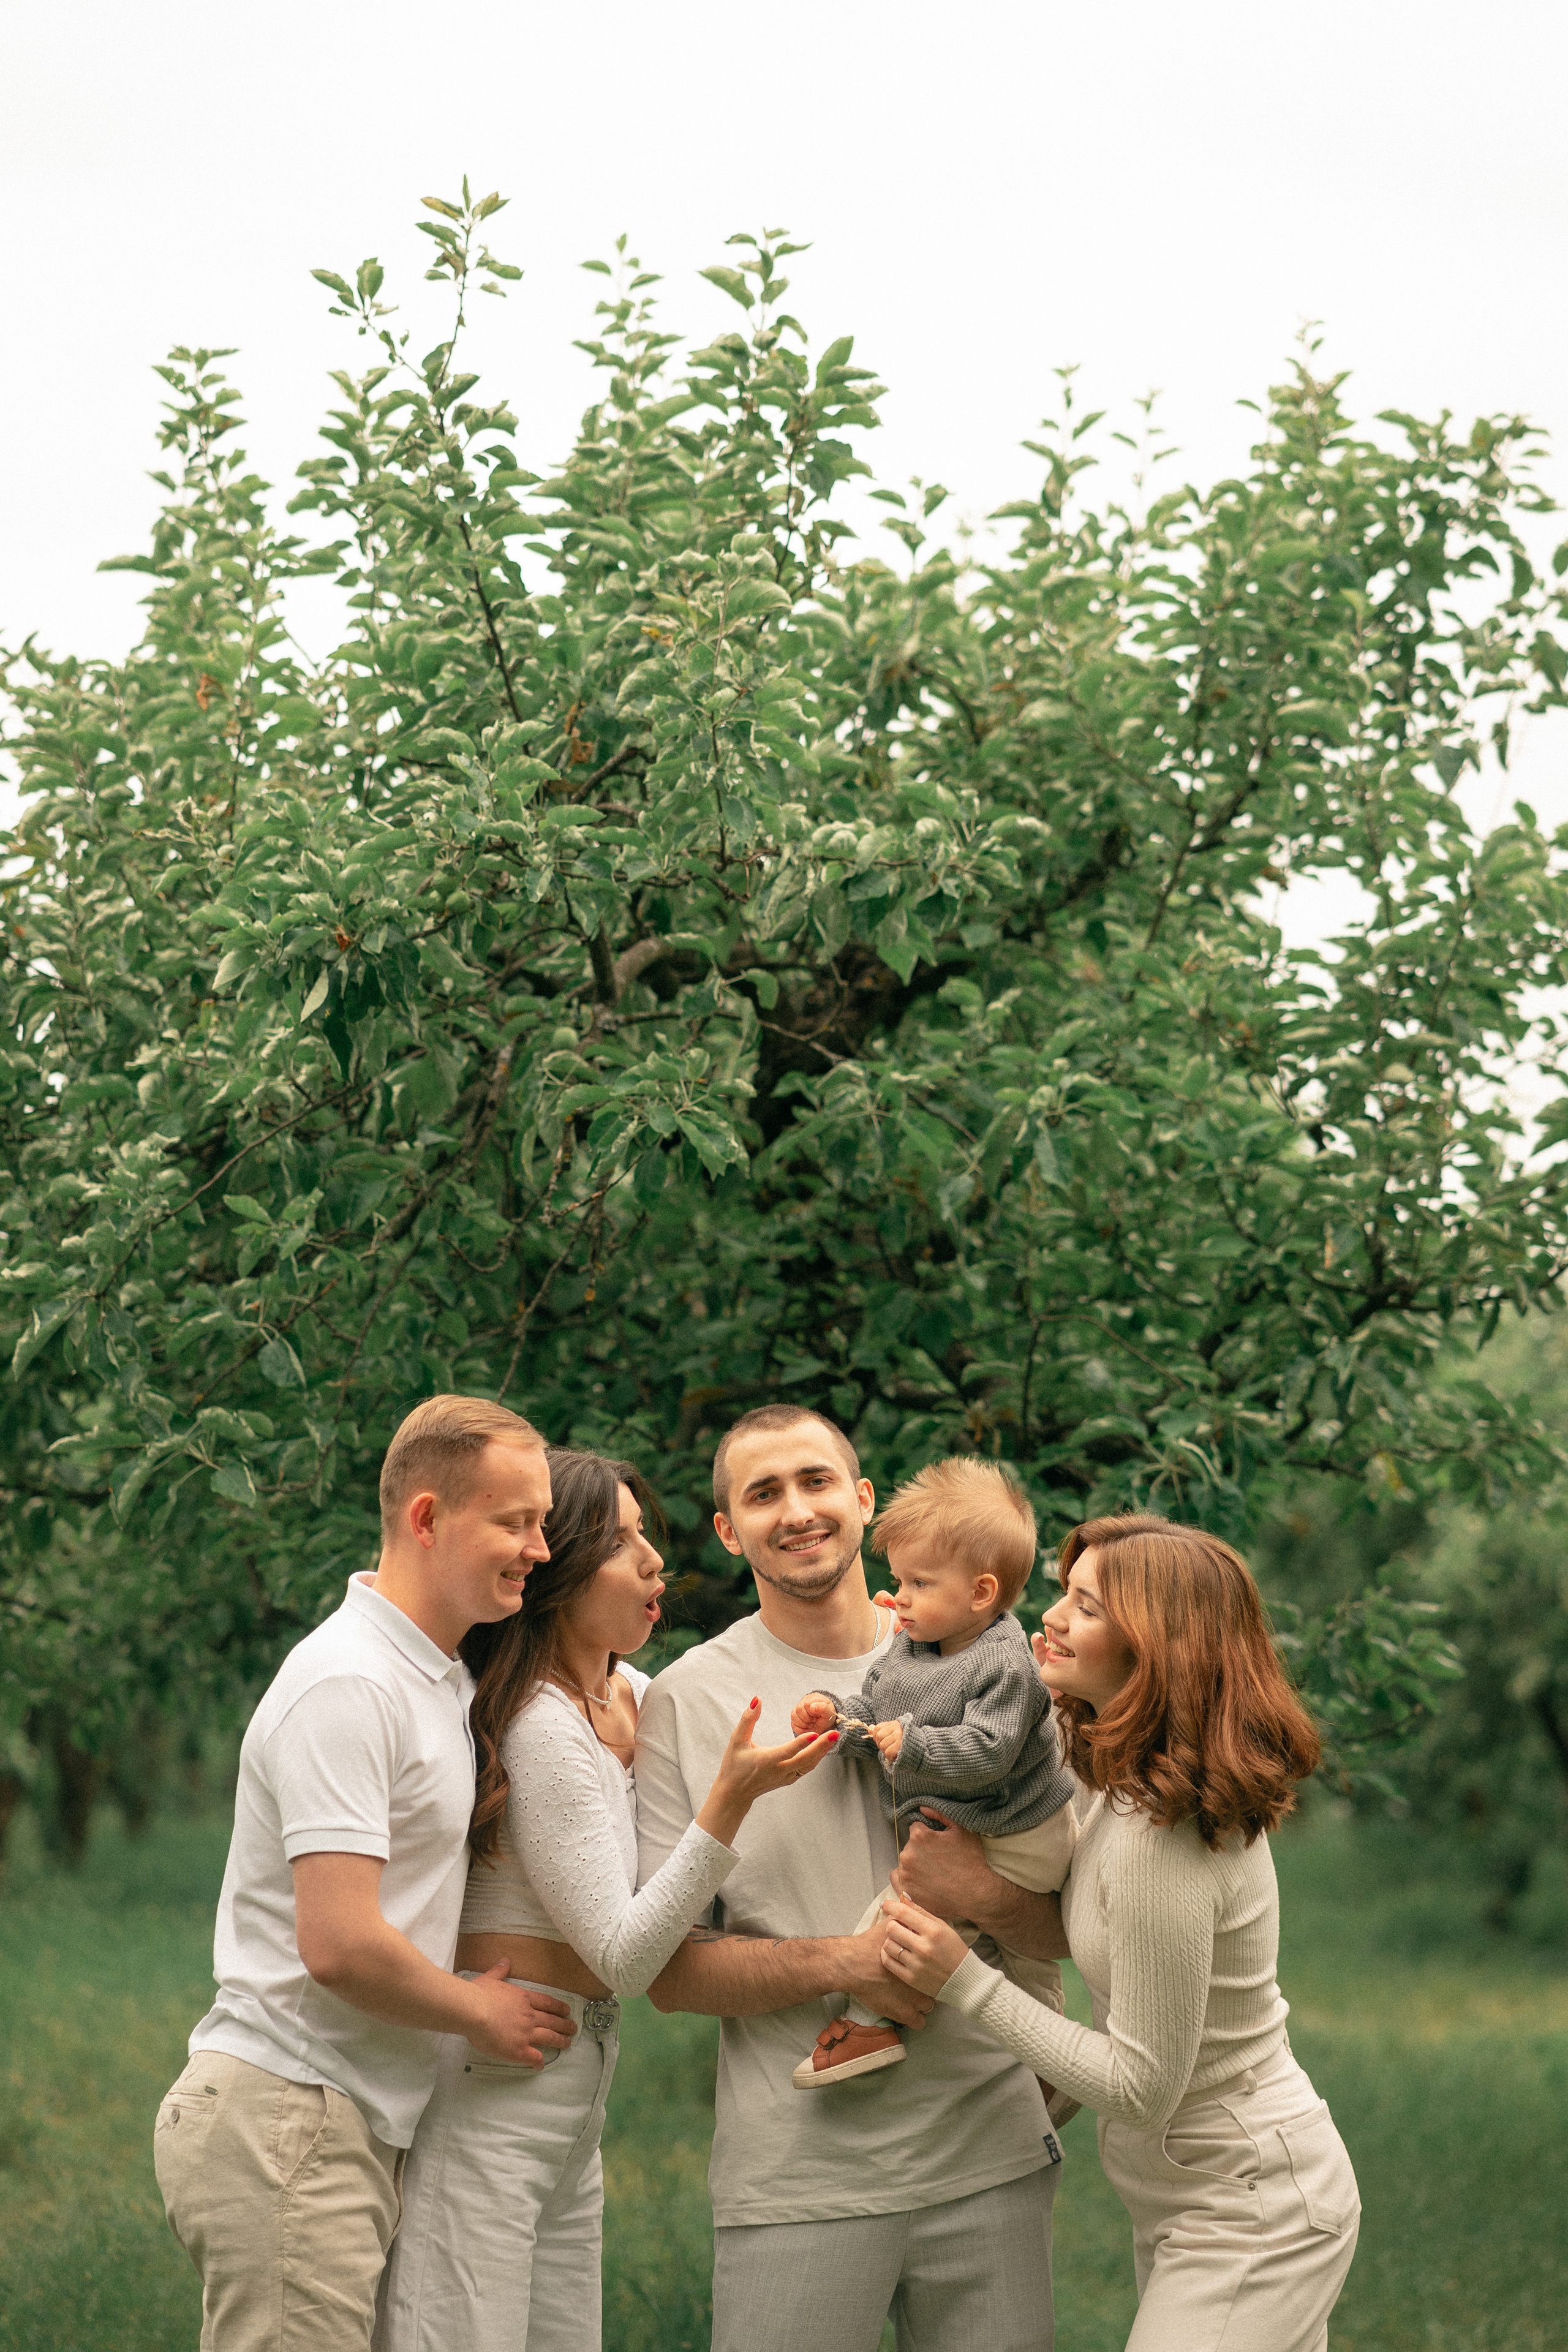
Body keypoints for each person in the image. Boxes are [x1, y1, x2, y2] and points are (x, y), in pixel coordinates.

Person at [375, 1446, 840, 2352]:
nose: (653, 1561)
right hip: (493, 2095)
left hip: (572, 2096)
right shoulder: (538, 1724)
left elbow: (737, 1691)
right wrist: (729, 1804)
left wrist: (905, 1643)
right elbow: (626, 1958)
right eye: (622, 1543)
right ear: (564, 1570)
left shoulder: (629, 1692)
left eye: (647, 1536)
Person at [636, 1404, 1068, 2352]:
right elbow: (669, 1975)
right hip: (798, 2179)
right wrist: (853, 1962)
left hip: (989, 2156)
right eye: (762, 1494)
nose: (795, 1511)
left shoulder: (995, 1658)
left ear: (864, 1500)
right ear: (727, 1530)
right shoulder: (686, 1700)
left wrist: (985, 1899)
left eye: (816, 1481)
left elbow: (1074, 1921)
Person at [153, 1395, 579, 2352]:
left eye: (542, 1522)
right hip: (289, 2115)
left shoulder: (438, 1677)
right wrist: (481, 2012)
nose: (539, 1548)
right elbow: (338, 1944)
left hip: (339, 2119)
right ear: (427, 1518)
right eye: (515, 1522)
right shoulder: (350, 1681)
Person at [879, 1513, 1361, 2352]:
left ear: (1157, 1644)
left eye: (1088, 1607)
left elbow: (1143, 2085)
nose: (1052, 1618)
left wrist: (962, 1978)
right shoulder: (1115, 1774)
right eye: (1064, 1595)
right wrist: (986, 1893)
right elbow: (1096, 1937)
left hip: (1254, 2207)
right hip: (1194, 2196)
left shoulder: (1158, 1837)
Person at [789, 1457, 1078, 2089]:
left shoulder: (1004, 1662)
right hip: (972, 1819)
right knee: (989, 1942)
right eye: (899, 1579)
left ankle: (870, 2025)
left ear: (980, 1594)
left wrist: (912, 1744)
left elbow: (990, 1751)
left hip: (1020, 1826)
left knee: (912, 1913)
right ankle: (1047, 2063)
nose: (898, 1599)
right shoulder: (914, 1641)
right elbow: (880, 1712)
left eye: (918, 1583)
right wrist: (838, 1720)